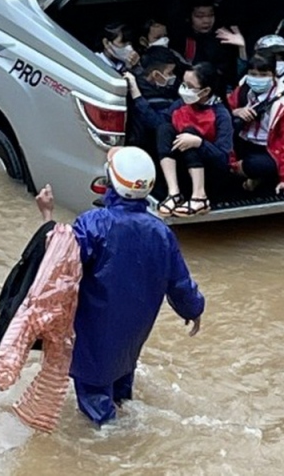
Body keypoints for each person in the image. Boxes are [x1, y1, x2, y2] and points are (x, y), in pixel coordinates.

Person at [39, 146, 204, 426]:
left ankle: (109, 444)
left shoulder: (93, 224)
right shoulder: (161, 231)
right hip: (132, 335)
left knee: (98, 409)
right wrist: (193, 309)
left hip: (94, 334)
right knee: (122, 385)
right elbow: (179, 283)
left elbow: (58, 261)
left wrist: (47, 215)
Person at [127, 63, 232, 217]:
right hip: (183, 170)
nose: (184, 89)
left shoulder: (221, 115)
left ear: (206, 91)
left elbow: (223, 159)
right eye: (184, 84)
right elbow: (156, 122)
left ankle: (199, 197)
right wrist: (135, 91)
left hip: (209, 174)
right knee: (165, 129)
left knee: (189, 132)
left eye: (190, 86)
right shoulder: (180, 105)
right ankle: (173, 192)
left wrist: (199, 143)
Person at [227, 54, 284, 197]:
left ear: (273, 75)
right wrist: (236, 112)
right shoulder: (242, 90)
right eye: (253, 74)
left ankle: (239, 171)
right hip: (241, 141)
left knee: (257, 165)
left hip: (268, 149)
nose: (258, 78)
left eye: (263, 74)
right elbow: (224, 111)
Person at [167, 0, 242, 84]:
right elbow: (174, 9)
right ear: (190, 17)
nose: (206, 21)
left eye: (210, 15)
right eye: (200, 16)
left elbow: (234, 6)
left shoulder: (222, 36)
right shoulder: (181, 35)